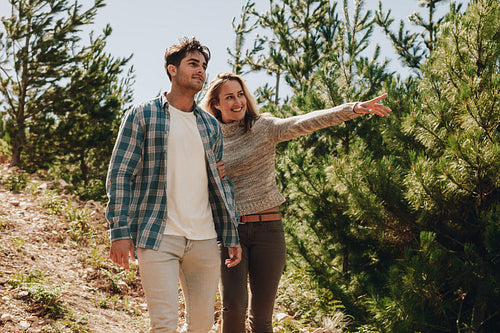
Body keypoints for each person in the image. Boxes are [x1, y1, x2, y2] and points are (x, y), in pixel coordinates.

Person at [200, 72, 392, 333]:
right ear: (216, 105)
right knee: (233, 308)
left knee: (262, 318)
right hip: (230, 233)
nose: (238, 102)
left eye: (241, 94)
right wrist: (210, 172)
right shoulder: (209, 140)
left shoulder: (264, 127)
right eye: (229, 97)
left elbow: (307, 121)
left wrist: (353, 109)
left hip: (269, 232)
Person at [105, 39, 241, 333]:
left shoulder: (210, 126)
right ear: (172, 69)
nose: (201, 71)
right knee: (164, 324)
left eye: (203, 66)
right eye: (193, 64)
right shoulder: (142, 114)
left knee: (202, 325)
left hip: (205, 238)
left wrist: (231, 234)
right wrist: (119, 231)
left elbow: (221, 184)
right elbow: (120, 175)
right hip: (158, 234)